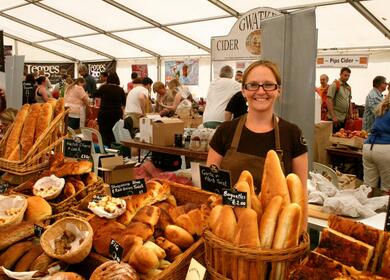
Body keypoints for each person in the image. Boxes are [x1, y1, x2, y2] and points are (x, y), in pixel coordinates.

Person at [207, 60, 308, 192]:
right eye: (253, 85)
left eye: (268, 85)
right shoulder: (225, 131)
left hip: (277, 213)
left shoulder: (292, 134)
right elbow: (209, 187)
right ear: (243, 91)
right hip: (228, 212)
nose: (261, 91)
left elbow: (300, 194)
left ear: (278, 91)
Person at [363, 93, 390, 193]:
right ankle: (384, 208)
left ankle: (363, 208)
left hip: (369, 146)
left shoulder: (382, 108)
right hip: (385, 148)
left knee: (368, 187)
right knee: (387, 189)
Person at [95, 72, 126, 146]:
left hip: (104, 113)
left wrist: (103, 85)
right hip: (116, 113)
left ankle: (104, 148)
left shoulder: (103, 87)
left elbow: (95, 94)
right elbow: (124, 103)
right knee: (114, 131)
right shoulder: (120, 89)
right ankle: (113, 148)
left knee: (103, 132)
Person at [327, 67, 353, 133]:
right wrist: (333, 116)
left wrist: (351, 116)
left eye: (348, 76)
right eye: (345, 75)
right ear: (340, 74)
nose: (347, 77)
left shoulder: (348, 87)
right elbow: (328, 100)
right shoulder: (335, 84)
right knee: (333, 140)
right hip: (335, 118)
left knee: (340, 138)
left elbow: (349, 102)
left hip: (343, 118)